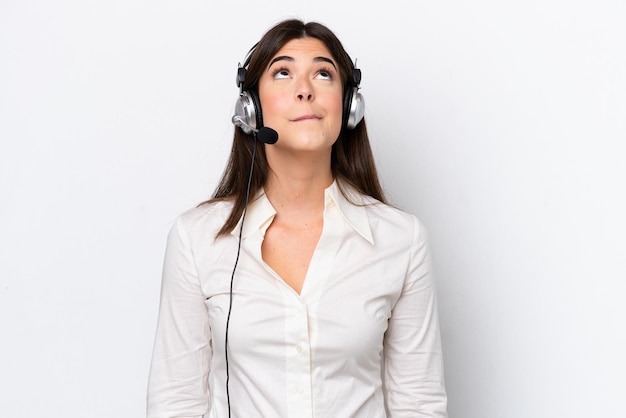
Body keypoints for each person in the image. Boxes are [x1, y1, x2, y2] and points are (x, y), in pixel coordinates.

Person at [147, 18, 447, 418]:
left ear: (348, 105)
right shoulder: (197, 238)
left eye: (323, 74)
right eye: (283, 73)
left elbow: (419, 404)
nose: (304, 90)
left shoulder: (402, 240)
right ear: (250, 108)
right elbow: (175, 403)